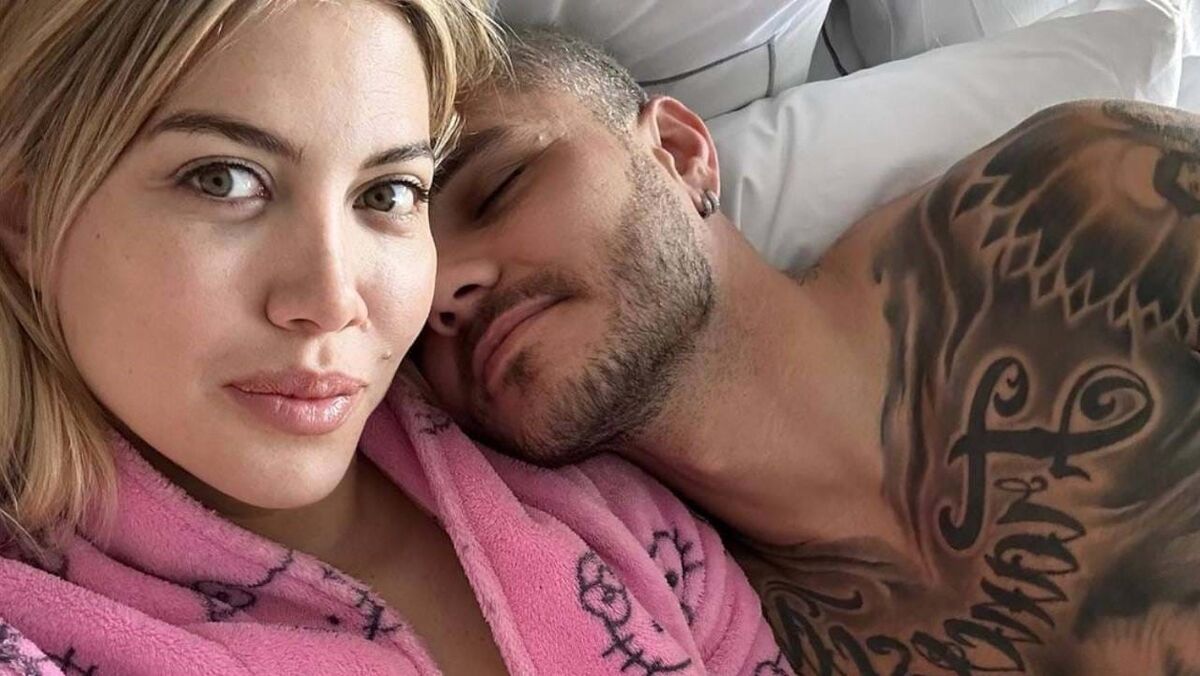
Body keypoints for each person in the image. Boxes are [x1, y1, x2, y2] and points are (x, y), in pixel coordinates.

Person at [0, 5, 784, 675]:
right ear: (25, 218)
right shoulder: (28, 624)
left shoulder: (618, 519)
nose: (333, 301)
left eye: (388, 194)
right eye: (224, 180)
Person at [420, 26, 1200, 674]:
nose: (443, 287)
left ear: (680, 152)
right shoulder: (680, 625)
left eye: (499, 186)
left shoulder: (1084, 211)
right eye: (412, 294)